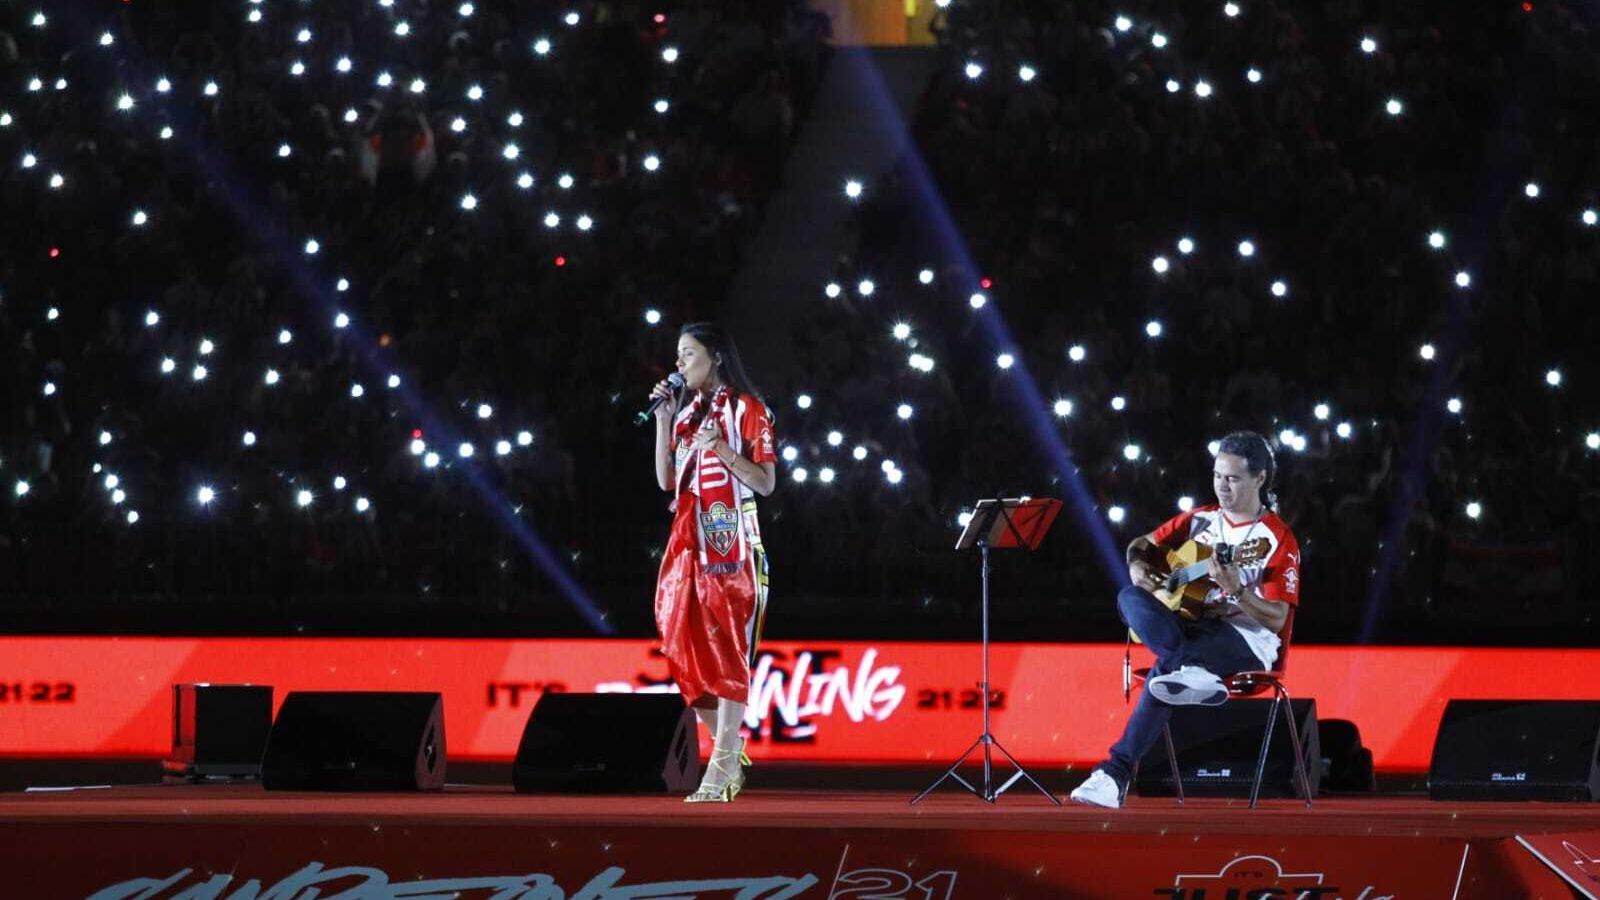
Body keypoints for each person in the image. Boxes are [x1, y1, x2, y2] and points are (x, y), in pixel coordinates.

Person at [1070, 431, 1302, 809]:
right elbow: (1140, 545)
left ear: (1260, 478)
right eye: (1217, 476)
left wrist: (1240, 592)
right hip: (1193, 625)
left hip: (1243, 640)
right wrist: (1138, 566)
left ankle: (1114, 775)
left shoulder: (1276, 538)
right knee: (1129, 597)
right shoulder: (1201, 520)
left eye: (1233, 478)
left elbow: (1277, 620)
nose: (1222, 486)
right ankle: (1192, 669)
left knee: (1166, 669)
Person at [648, 322, 777, 802]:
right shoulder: (684, 416)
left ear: (716, 356)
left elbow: (765, 484)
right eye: (678, 356)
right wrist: (664, 419)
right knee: (678, 642)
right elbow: (665, 481)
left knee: (727, 654)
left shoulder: (749, 410)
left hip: (732, 547)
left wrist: (720, 448)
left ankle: (721, 766)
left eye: (688, 354)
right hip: (687, 544)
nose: (679, 365)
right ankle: (731, 744)